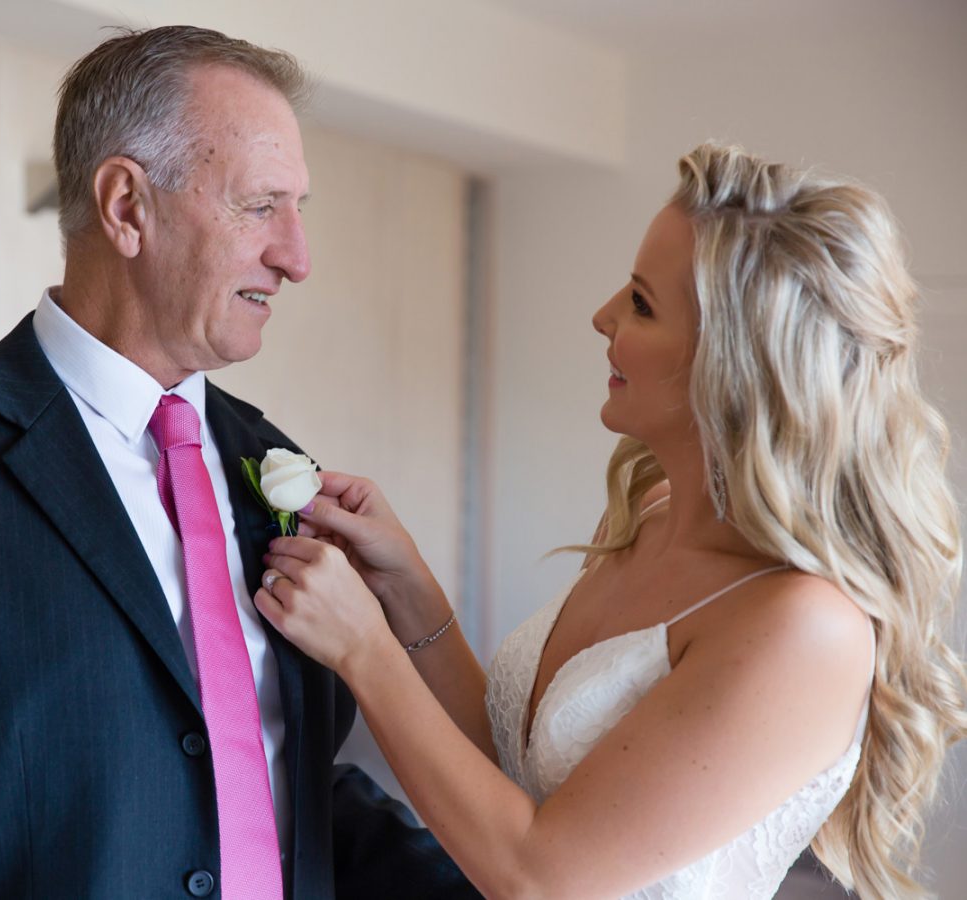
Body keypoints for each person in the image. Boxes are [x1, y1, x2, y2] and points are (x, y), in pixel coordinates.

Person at [0, 25, 475, 899]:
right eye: (261, 206)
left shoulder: (277, 465)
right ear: (127, 206)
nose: (296, 257)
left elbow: (276, 785)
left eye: (298, 209)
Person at [255, 143, 967, 898]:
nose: (602, 317)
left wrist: (364, 650)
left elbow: (540, 877)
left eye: (642, 303)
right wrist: (406, 590)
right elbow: (513, 782)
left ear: (738, 362)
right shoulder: (652, 513)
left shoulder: (805, 625)